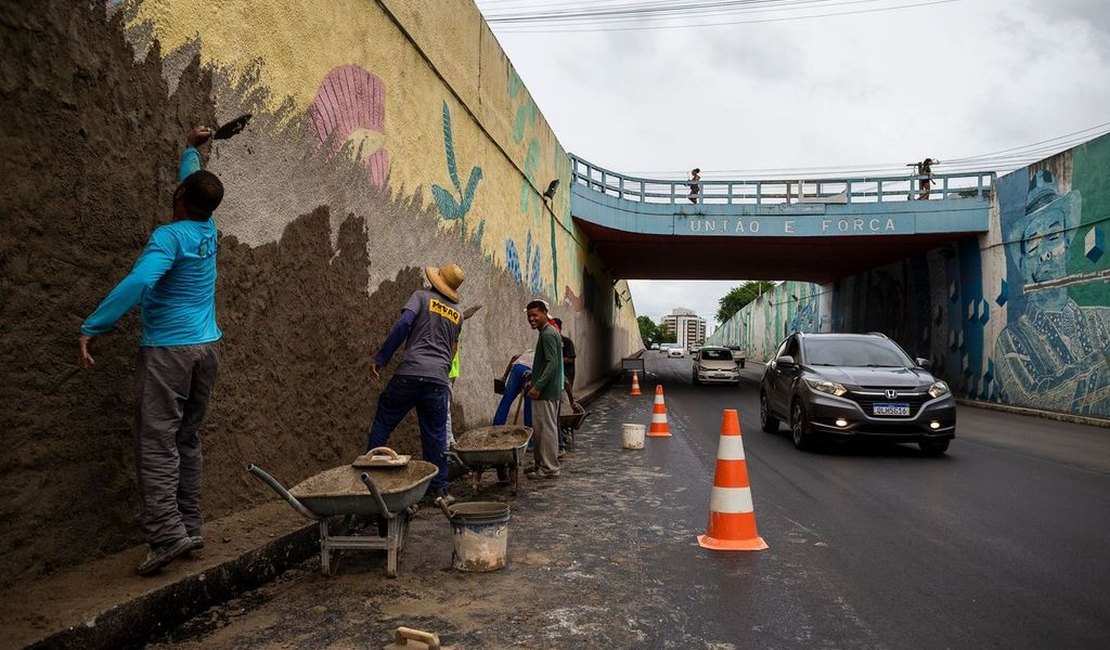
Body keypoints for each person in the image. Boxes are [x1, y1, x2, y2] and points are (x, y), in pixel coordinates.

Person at [77, 126, 223, 576]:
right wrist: (190, 150)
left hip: (169, 353)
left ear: (179, 197)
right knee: (187, 439)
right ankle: (190, 527)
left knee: (158, 442)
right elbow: (196, 185)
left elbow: (141, 282)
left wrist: (94, 325)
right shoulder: (207, 228)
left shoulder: (169, 237)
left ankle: (165, 536)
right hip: (207, 349)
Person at [992, 169, 1109, 416]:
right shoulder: (1010, 341)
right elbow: (1033, 395)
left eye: (1054, 236)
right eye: (1033, 243)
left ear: (1067, 247)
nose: (1045, 253)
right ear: (1022, 264)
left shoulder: (1103, 319)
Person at [368, 264, 465, 502]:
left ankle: (368, 476)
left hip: (410, 373)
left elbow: (402, 326)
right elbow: (453, 349)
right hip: (438, 381)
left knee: (384, 418)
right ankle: (439, 489)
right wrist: (440, 368)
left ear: (436, 280)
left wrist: (381, 359)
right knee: (436, 435)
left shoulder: (421, 297)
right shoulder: (458, 314)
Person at [524, 299, 563, 479]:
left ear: (544, 313)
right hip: (545, 390)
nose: (531, 319)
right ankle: (541, 464)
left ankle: (549, 469)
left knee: (546, 430)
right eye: (529, 315)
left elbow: (552, 363)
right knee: (541, 429)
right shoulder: (546, 332)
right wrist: (533, 380)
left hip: (546, 392)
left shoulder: (548, 334)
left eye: (535, 315)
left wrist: (538, 386)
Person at [493, 349, 534, 427]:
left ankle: (497, 427)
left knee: (506, 399)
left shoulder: (529, 352)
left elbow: (514, 357)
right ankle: (528, 430)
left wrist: (504, 377)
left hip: (517, 369)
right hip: (531, 373)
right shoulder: (541, 355)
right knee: (529, 404)